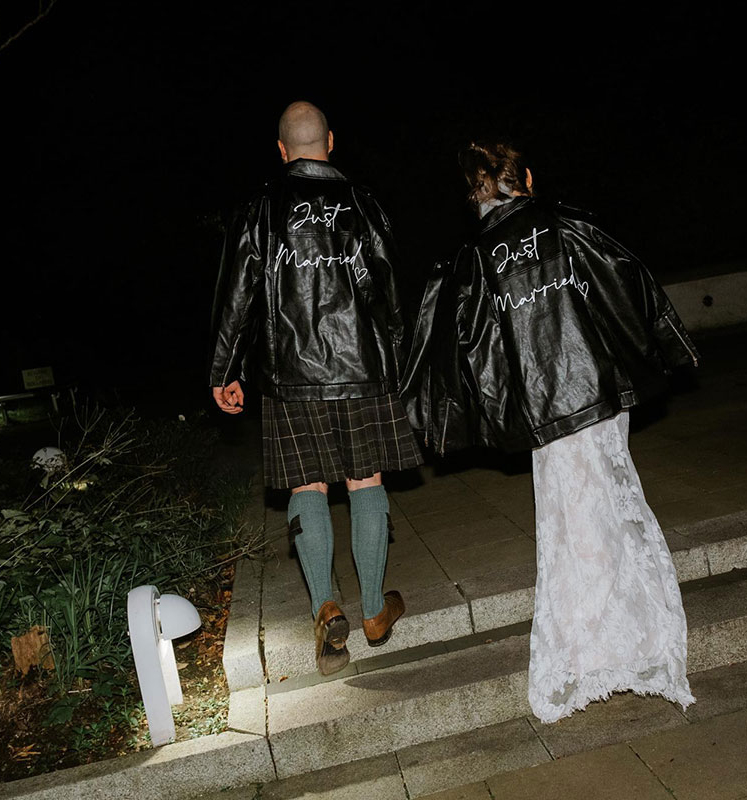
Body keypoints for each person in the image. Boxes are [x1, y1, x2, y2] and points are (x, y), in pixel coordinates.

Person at [404, 141, 698, 722]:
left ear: (475, 194)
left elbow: (459, 347)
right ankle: (625, 634)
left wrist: (458, 417)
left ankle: (600, 639)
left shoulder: (474, 259)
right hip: (599, 393)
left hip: (546, 408)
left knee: (570, 514)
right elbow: (630, 280)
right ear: (527, 178)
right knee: (610, 500)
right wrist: (666, 345)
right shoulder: (569, 226)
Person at [210, 101, 422, 676]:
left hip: (290, 376)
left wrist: (223, 369)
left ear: (282, 151)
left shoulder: (261, 209)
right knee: (365, 480)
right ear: (331, 140)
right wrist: (404, 361)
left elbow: (237, 294)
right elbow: (393, 293)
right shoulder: (365, 202)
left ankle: (326, 608)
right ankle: (375, 610)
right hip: (361, 371)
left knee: (307, 486)